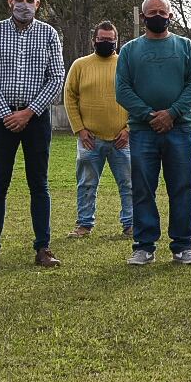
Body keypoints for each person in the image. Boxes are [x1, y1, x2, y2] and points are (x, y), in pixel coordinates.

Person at [0, 0, 65, 269]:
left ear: (38, 4)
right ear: (10, 2)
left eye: (30, 0)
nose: (24, 4)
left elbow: (56, 78)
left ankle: (43, 249)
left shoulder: (50, 34)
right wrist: (5, 113)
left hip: (36, 120)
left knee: (39, 184)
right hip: (2, 120)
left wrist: (29, 112)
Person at [116, 0, 191, 267]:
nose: (157, 16)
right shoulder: (130, 50)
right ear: (143, 18)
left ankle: (183, 246)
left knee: (182, 187)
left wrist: (172, 113)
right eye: (151, 12)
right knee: (142, 189)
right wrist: (148, 115)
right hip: (142, 131)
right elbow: (122, 89)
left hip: (179, 130)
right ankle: (144, 246)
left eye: (161, 12)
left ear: (170, 15)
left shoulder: (186, 46)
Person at [63, 21, 132, 240]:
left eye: (110, 39)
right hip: (89, 139)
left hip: (122, 138)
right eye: (101, 39)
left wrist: (129, 129)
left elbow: (137, 98)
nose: (106, 42)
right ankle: (84, 224)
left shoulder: (126, 65)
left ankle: (131, 225)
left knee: (130, 184)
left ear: (116, 40)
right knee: (86, 184)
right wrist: (80, 129)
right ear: (94, 40)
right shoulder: (80, 65)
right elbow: (70, 97)